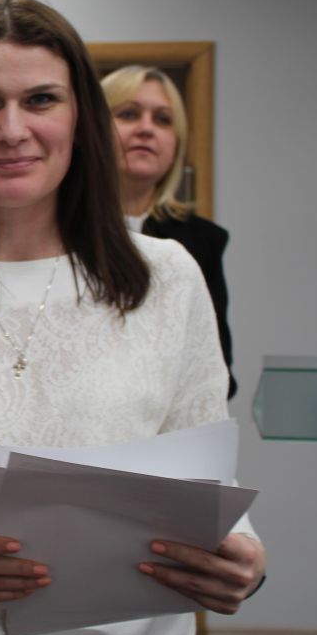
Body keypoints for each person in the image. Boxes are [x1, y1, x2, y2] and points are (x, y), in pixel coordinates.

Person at [0, 0, 265, 635]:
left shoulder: (167, 275)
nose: (12, 130)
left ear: (79, 119)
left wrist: (242, 554)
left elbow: (204, 461)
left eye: (41, 100)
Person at [101, 65, 237, 398]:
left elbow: (216, 369)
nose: (146, 129)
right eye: (128, 114)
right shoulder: (50, 228)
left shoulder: (203, 241)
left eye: (163, 119)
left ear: (177, 143)